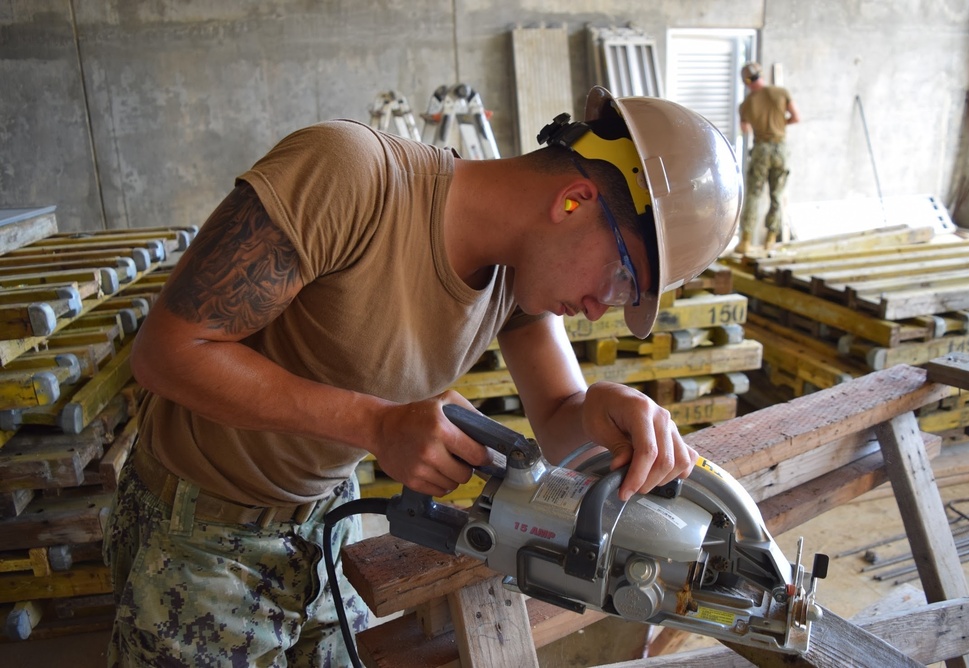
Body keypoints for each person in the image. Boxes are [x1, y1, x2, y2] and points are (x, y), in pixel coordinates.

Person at [103, 85, 742, 666]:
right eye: (622, 277)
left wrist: (601, 406)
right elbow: (169, 352)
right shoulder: (349, 175)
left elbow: (560, 424)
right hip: (197, 537)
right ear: (574, 201)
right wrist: (376, 424)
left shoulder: (515, 279)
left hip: (324, 526)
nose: (605, 307)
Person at [736, 61, 801, 253]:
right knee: (776, 195)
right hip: (780, 149)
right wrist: (780, 124)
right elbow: (796, 117)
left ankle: (745, 241)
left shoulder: (746, 105)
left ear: (746, 82)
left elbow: (745, 129)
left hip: (760, 150)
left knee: (753, 195)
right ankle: (770, 240)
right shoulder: (781, 93)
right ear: (761, 74)